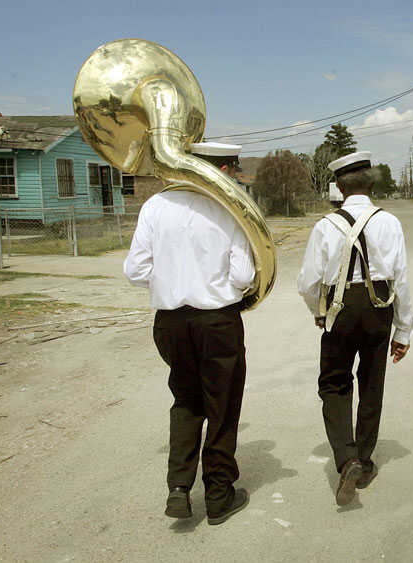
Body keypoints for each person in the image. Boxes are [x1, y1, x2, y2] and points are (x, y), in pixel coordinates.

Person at [123, 141, 253, 525]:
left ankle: (178, 488)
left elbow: (134, 271)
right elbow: (244, 276)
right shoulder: (229, 208)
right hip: (217, 321)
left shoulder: (155, 206)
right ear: (225, 170)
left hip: (170, 322)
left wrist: (172, 281)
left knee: (186, 400)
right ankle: (218, 495)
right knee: (222, 405)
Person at [296, 151, 413, 505]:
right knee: (372, 382)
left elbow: (307, 283)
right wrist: (404, 330)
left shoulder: (325, 226)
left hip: (340, 307)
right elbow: (402, 281)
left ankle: (345, 457)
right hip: (379, 307)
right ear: (373, 184)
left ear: (338, 187)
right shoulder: (390, 222)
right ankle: (363, 462)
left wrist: (318, 311)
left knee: (334, 383)